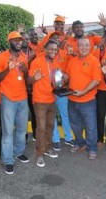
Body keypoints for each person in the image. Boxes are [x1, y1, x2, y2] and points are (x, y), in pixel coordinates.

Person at [0, 31, 29, 175]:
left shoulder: (24, 57)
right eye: (15, 40)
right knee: (8, 131)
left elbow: (25, 78)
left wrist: (25, 72)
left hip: (22, 98)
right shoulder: (1, 58)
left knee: (22, 129)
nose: (19, 42)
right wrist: (8, 69)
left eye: (20, 40)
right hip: (8, 98)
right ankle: (8, 159)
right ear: (9, 42)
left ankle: (18, 152)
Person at [28, 39, 63, 167]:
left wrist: (62, 78)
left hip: (52, 99)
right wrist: (34, 78)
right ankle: (39, 154)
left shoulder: (56, 64)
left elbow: (57, 81)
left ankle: (48, 148)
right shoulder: (37, 62)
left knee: (50, 126)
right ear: (45, 49)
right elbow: (28, 81)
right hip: (40, 101)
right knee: (41, 128)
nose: (53, 51)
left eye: (55, 50)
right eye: (51, 49)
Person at [67, 37, 102, 160]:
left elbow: (96, 80)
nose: (83, 48)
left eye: (86, 45)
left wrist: (83, 92)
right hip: (72, 99)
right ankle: (79, 143)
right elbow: (67, 76)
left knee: (90, 126)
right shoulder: (72, 61)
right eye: (81, 45)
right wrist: (60, 78)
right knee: (75, 124)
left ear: (90, 47)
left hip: (87, 100)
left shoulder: (94, 61)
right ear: (77, 47)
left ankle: (92, 148)